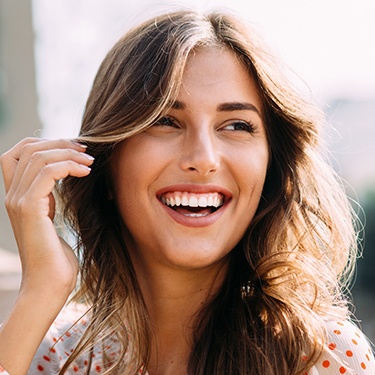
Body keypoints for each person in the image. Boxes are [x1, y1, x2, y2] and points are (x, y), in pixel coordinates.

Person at [0, 9, 374, 375]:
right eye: (165, 120)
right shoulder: (49, 355)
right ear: (104, 161)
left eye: (236, 125)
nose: (204, 159)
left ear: (272, 170)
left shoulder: (321, 358)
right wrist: (40, 292)